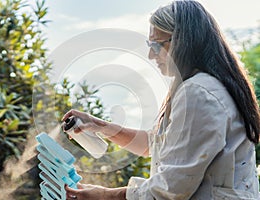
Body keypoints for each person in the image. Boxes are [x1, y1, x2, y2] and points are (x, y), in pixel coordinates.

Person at [63, 0, 260, 199]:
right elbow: (154, 145)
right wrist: (99, 125)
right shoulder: (203, 87)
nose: (151, 54)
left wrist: (105, 195)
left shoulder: (198, 92)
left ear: (185, 41)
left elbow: (172, 187)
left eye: (157, 45)